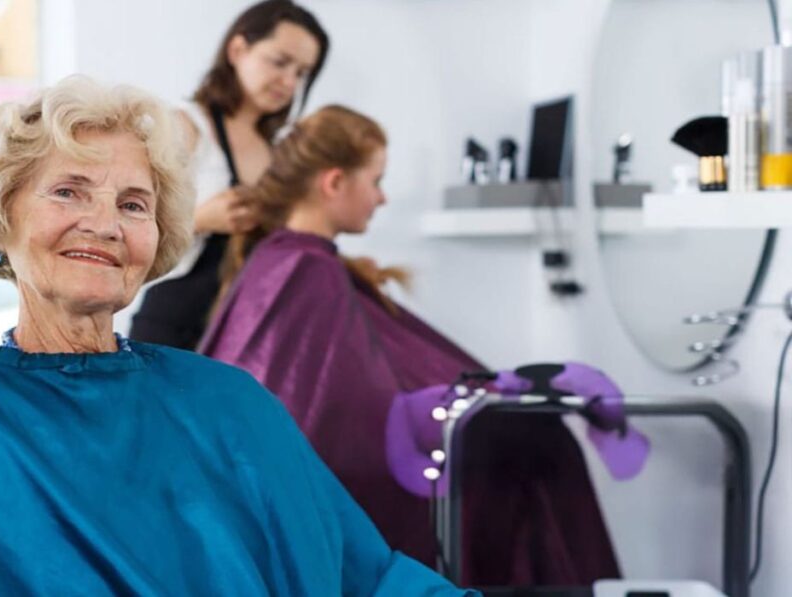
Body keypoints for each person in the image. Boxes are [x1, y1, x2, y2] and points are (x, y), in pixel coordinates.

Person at [0, 77, 474, 596]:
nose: (106, 224)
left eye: (133, 203)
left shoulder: (229, 401)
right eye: (68, 191)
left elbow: (370, 575)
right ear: (2, 217)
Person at [199, 105, 621, 586]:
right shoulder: (303, 268)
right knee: (538, 445)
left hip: (316, 470)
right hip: (337, 479)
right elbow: (346, 417)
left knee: (531, 433)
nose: (381, 197)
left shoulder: (290, 260)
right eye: (376, 180)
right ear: (334, 182)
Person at [127, 0, 328, 349]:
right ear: (237, 50)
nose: (289, 82)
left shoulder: (278, 152)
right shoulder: (185, 126)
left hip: (243, 336)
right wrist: (202, 220)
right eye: (280, 62)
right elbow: (129, 227)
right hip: (175, 328)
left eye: (301, 73)